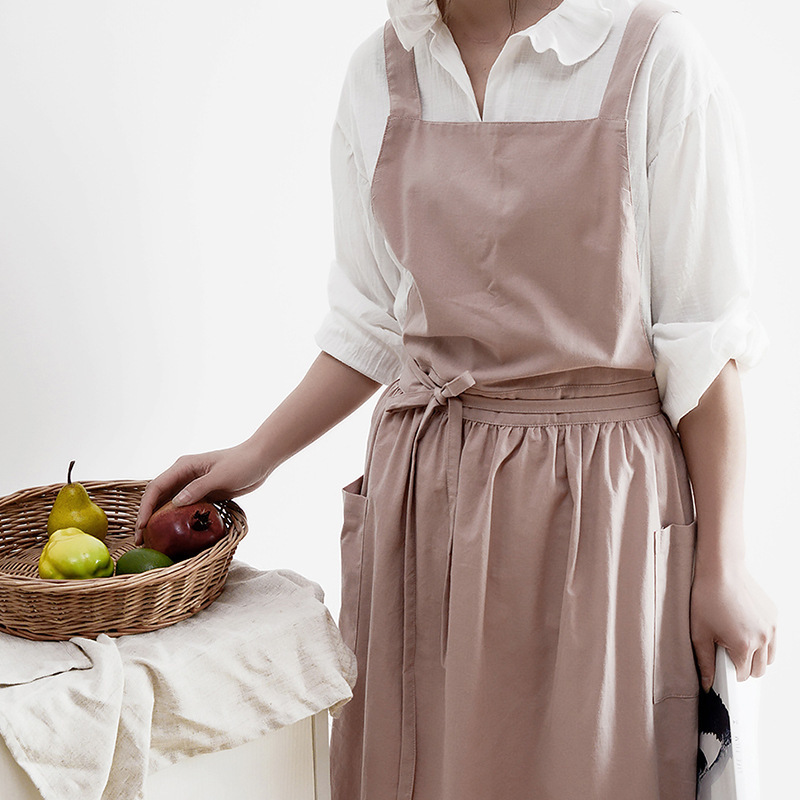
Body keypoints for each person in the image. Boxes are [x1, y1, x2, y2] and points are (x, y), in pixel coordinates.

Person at [135, 0, 778, 797]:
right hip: (428, 500)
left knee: (594, 766)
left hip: (597, 509)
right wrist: (254, 456)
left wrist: (723, 565)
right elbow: (372, 321)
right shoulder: (380, 70)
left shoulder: (652, 55)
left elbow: (703, 342)